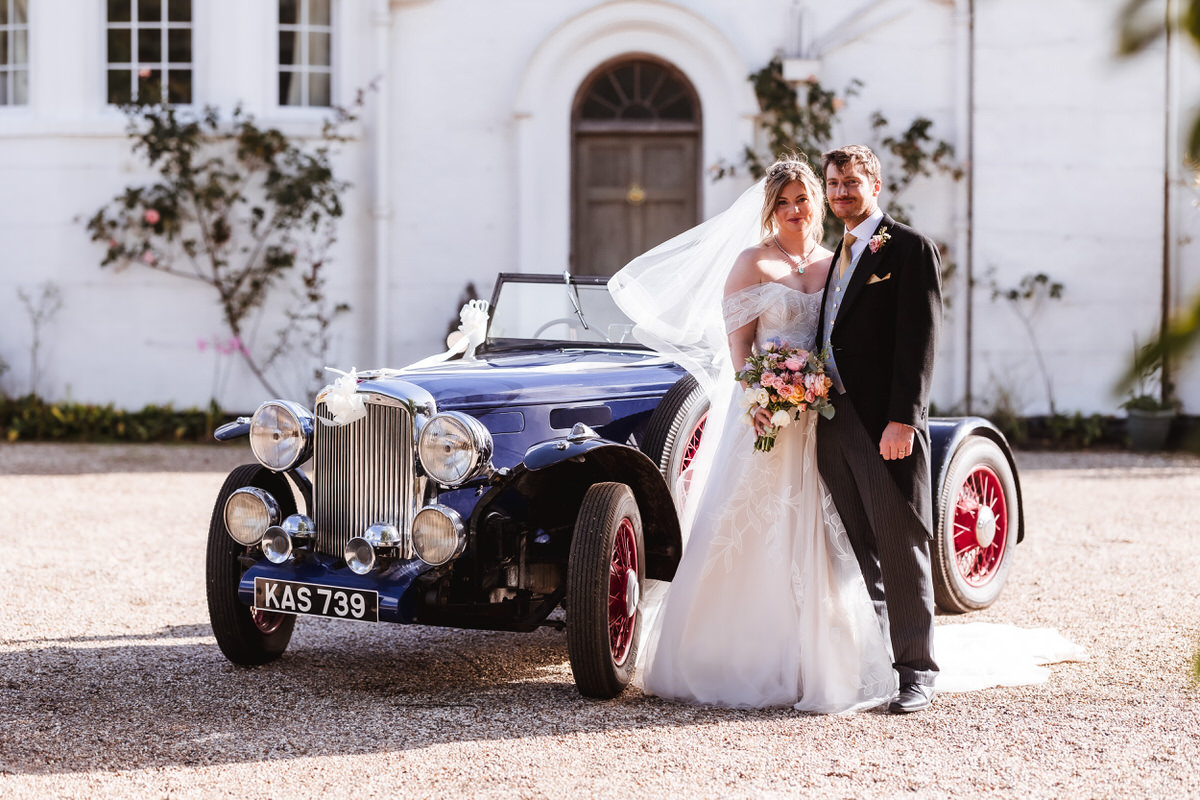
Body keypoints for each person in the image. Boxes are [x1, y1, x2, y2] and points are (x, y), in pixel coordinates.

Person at [610, 156, 898, 712]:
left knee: (817, 531)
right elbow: (739, 350)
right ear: (771, 208)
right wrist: (758, 399)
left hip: (819, 421)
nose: (795, 210)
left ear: (817, 202)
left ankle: (822, 655)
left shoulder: (835, 262)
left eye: (803, 199)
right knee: (752, 530)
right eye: (784, 202)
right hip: (763, 421)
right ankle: (737, 656)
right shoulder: (752, 263)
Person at [815, 144, 942, 713]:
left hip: (883, 423)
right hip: (830, 420)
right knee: (854, 544)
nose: (841, 193)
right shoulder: (829, 256)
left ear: (876, 184)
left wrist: (903, 420)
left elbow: (919, 341)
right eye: (833, 184)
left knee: (900, 542)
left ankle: (917, 670)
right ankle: (874, 662)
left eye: (851, 183)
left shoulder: (909, 248)